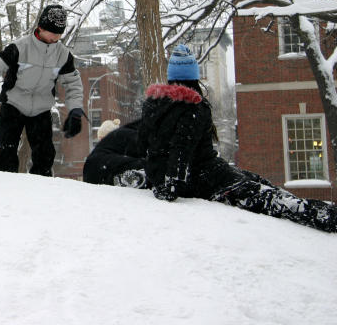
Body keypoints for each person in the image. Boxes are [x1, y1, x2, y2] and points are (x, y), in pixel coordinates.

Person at [139, 44, 337, 233]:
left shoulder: (153, 107)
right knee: (268, 198)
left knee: (257, 180)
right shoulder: (193, 108)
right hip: (205, 178)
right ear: (193, 77)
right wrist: (171, 186)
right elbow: (180, 149)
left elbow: (143, 145)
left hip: (199, 173)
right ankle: (328, 217)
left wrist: (157, 177)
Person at [0, 5, 84, 176]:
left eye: (59, 34)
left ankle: (41, 191)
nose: (55, 37)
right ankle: (0, 185)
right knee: (6, 151)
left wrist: (76, 111)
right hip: (14, 104)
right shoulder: (20, 47)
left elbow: (73, 84)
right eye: (52, 33)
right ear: (40, 28)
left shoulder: (63, 55)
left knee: (45, 155)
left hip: (41, 109)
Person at [82, 119, 149, 188]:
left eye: (103, 138)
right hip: (101, 169)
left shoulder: (119, 139)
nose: (101, 141)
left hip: (93, 172)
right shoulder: (124, 136)